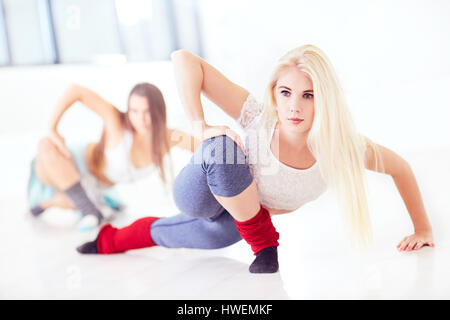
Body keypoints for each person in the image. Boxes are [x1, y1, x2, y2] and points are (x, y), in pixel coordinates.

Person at [77, 45, 434, 274]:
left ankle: (107, 241)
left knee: (169, 233)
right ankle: (264, 241)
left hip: (236, 221)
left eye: (309, 95)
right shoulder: (258, 117)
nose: (295, 105)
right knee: (224, 146)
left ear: (324, 99)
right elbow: (183, 59)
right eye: (286, 92)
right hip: (199, 192)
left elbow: (400, 167)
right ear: (274, 95)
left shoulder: (341, 147)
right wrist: (200, 125)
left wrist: (423, 229)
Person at [28, 82, 199, 230]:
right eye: (134, 111)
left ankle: (49, 204)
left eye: (147, 112)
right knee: (45, 143)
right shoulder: (117, 121)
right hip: (63, 164)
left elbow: (206, 148)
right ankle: (89, 210)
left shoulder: (168, 138)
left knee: (73, 199)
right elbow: (75, 90)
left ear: (159, 112)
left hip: (91, 188)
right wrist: (52, 129)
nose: (141, 119)